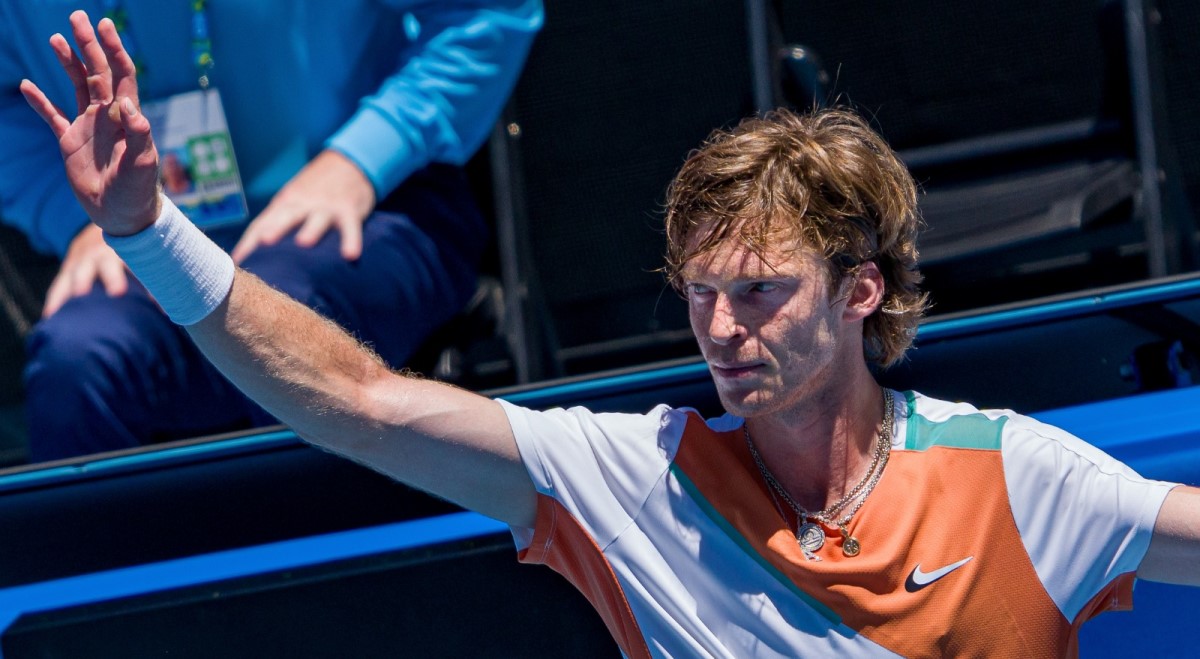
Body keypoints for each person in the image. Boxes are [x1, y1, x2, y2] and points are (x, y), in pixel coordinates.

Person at [22, 14, 1200, 657]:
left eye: (760, 292)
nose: (722, 329)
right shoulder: (636, 478)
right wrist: (151, 232)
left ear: (859, 293)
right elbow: (359, 402)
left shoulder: (1018, 478)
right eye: (700, 292)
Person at [0, 1, 542, 461]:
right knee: (76, 362)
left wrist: (364, 156)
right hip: (144, 237)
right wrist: (86, 214)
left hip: (373, 204)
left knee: (285, 321)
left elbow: (488, 13)